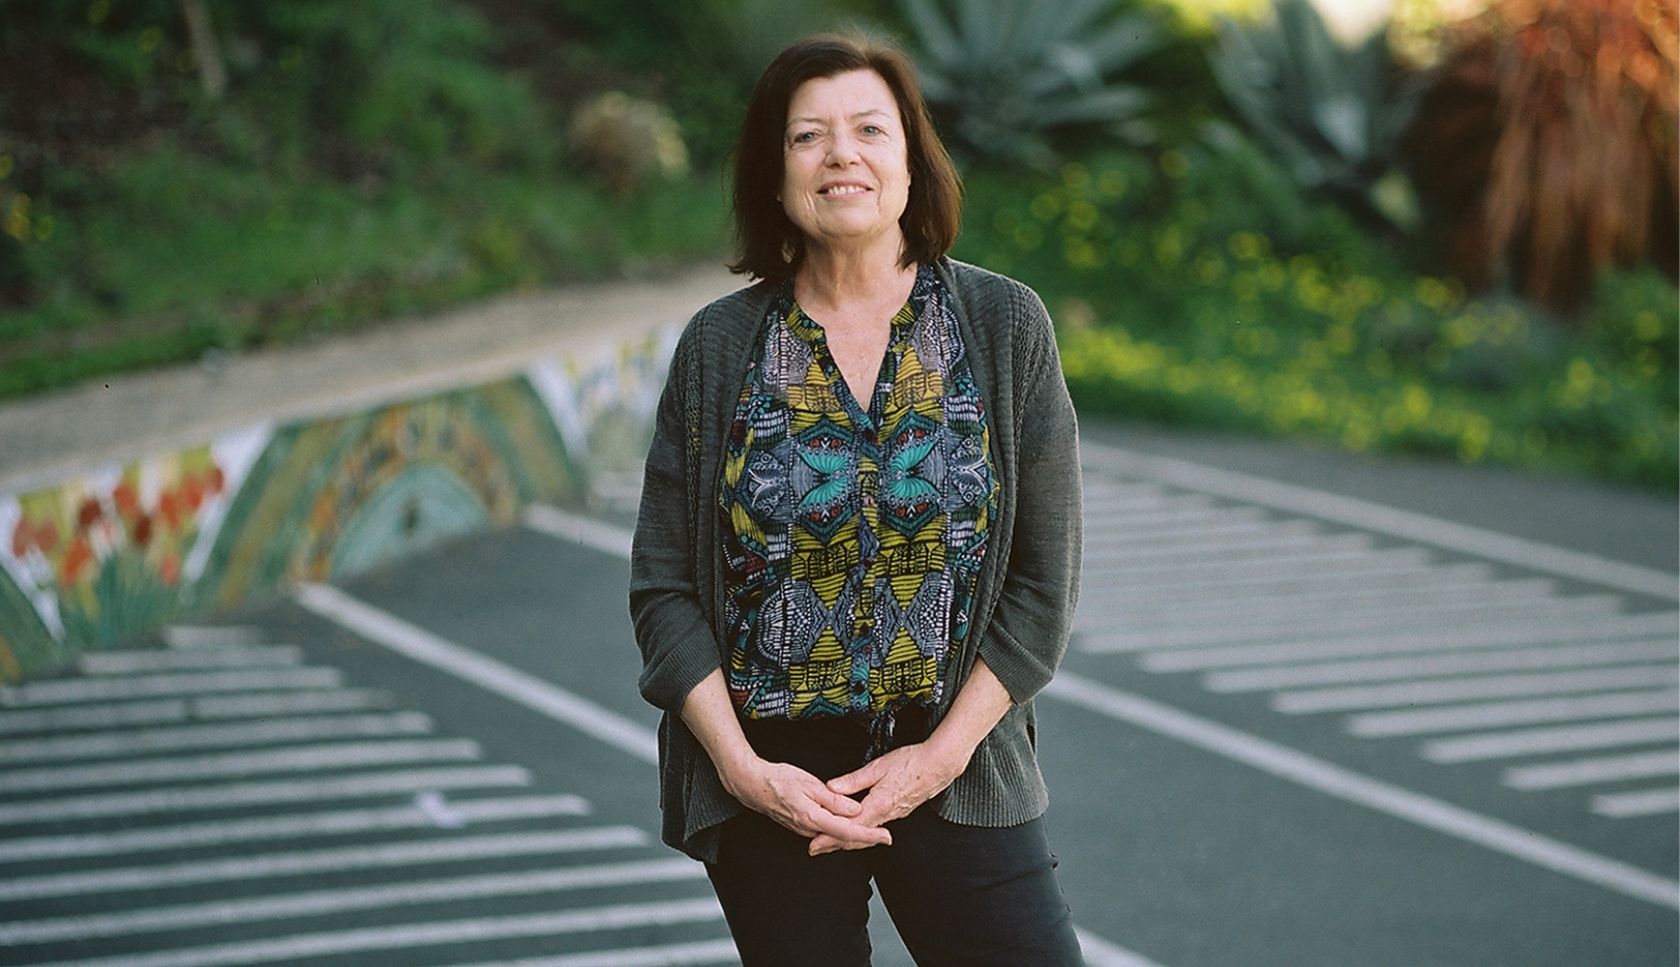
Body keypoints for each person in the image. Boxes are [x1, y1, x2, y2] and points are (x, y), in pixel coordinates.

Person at [628, 32, 1084, 966]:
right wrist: (744, 771)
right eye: (809, 136)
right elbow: (664, 586)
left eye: (870, 129)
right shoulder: (718, 346)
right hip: (771, 776)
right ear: (775, 174)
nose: (842, 154)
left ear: (913, 162)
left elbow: (1044, 584)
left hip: (954, 761)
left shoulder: (1006, 325)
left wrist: (938, 759)